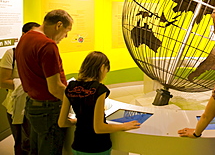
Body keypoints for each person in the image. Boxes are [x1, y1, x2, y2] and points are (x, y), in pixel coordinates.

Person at [58, 51, 141, 154]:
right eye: (106, 70)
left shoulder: (70, 87)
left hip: (78, 145)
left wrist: (78, 120)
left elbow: (62, 122)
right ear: (102, 68)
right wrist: (124, 126)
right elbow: (99, 128)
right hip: (98, 146)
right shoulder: (99, 90)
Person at [15, 9, 73, 155]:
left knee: (35, 149)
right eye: (67, 31)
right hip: (49, 110)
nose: (66, 36)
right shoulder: (47, 45)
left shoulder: (26, 38)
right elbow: (55, 88)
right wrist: (74, 103)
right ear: (59, 25)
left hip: (33, 105)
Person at [0, 22, 40, 155]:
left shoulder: (38, 53)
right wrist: (27, 84)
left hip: (36, 104)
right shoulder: (11, 54)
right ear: (24, 35)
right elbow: (2, 82)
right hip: (16, 105)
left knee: (35, 142)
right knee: (22, 143)